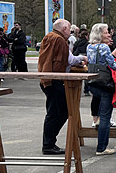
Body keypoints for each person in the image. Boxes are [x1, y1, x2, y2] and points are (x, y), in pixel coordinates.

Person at [37, 19, 87, 155]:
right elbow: (68, 60)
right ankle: (48, 144)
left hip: (47, 79)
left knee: (57, 112)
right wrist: (82, 59)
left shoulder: (49, 37)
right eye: (69, 30)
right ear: (64, 28)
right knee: (59, 112)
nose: (70, 33)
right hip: (55, 80)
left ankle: (49, 143)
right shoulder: (59, 40)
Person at [87, 23, 116, 155]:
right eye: (106, 32)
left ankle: (101, 144)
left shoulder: (89, 47)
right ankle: (102, 147)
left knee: (100, 112)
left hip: (93, 82)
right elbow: (113, 64)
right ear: (100, 34)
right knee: (105, 116)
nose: (109, 34)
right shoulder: (104, 47)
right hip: (105, 83)